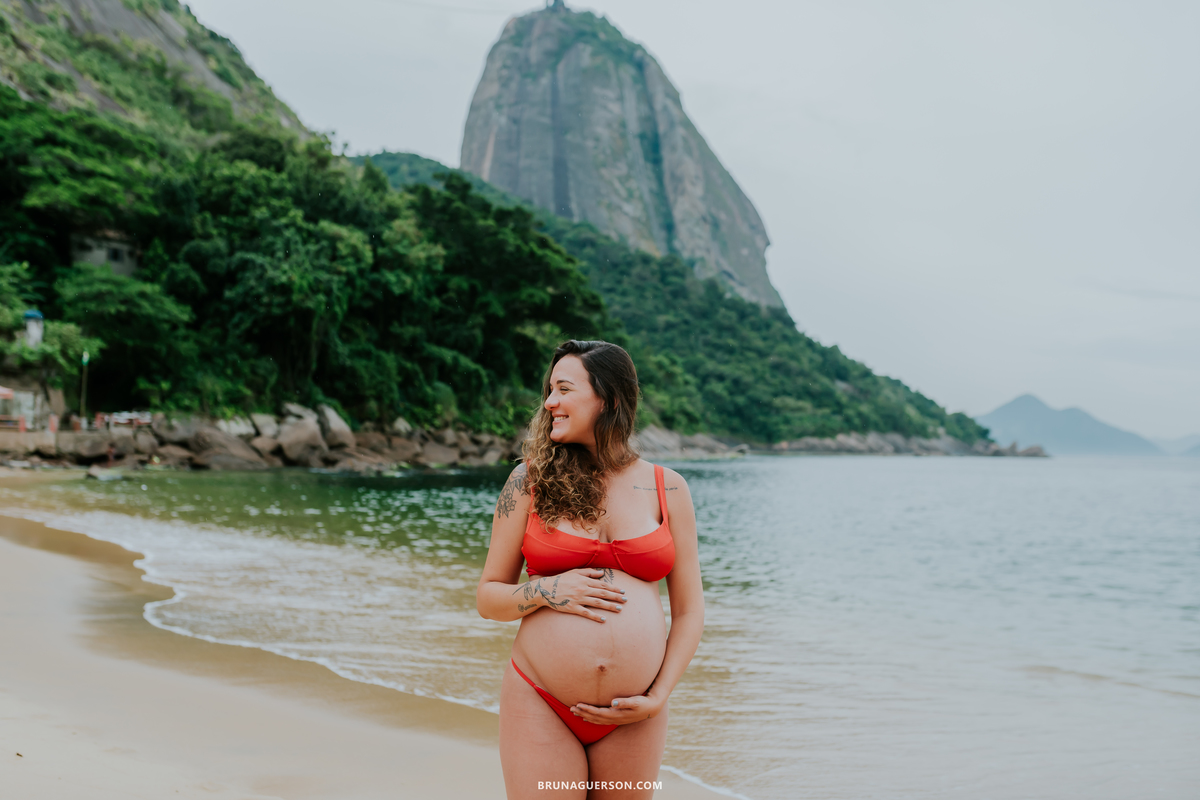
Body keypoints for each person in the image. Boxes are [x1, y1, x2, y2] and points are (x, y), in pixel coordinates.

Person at [477, 340, 705, 799]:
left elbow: (689, 612)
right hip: (542, 700)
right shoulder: (528, 481)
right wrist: (547, 591)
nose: (549, 402)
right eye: (549, 389)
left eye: (563, 389)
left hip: (633, 714)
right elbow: (489, 597)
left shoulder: (668, 488)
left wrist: (657, 697)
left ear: (610, 399)